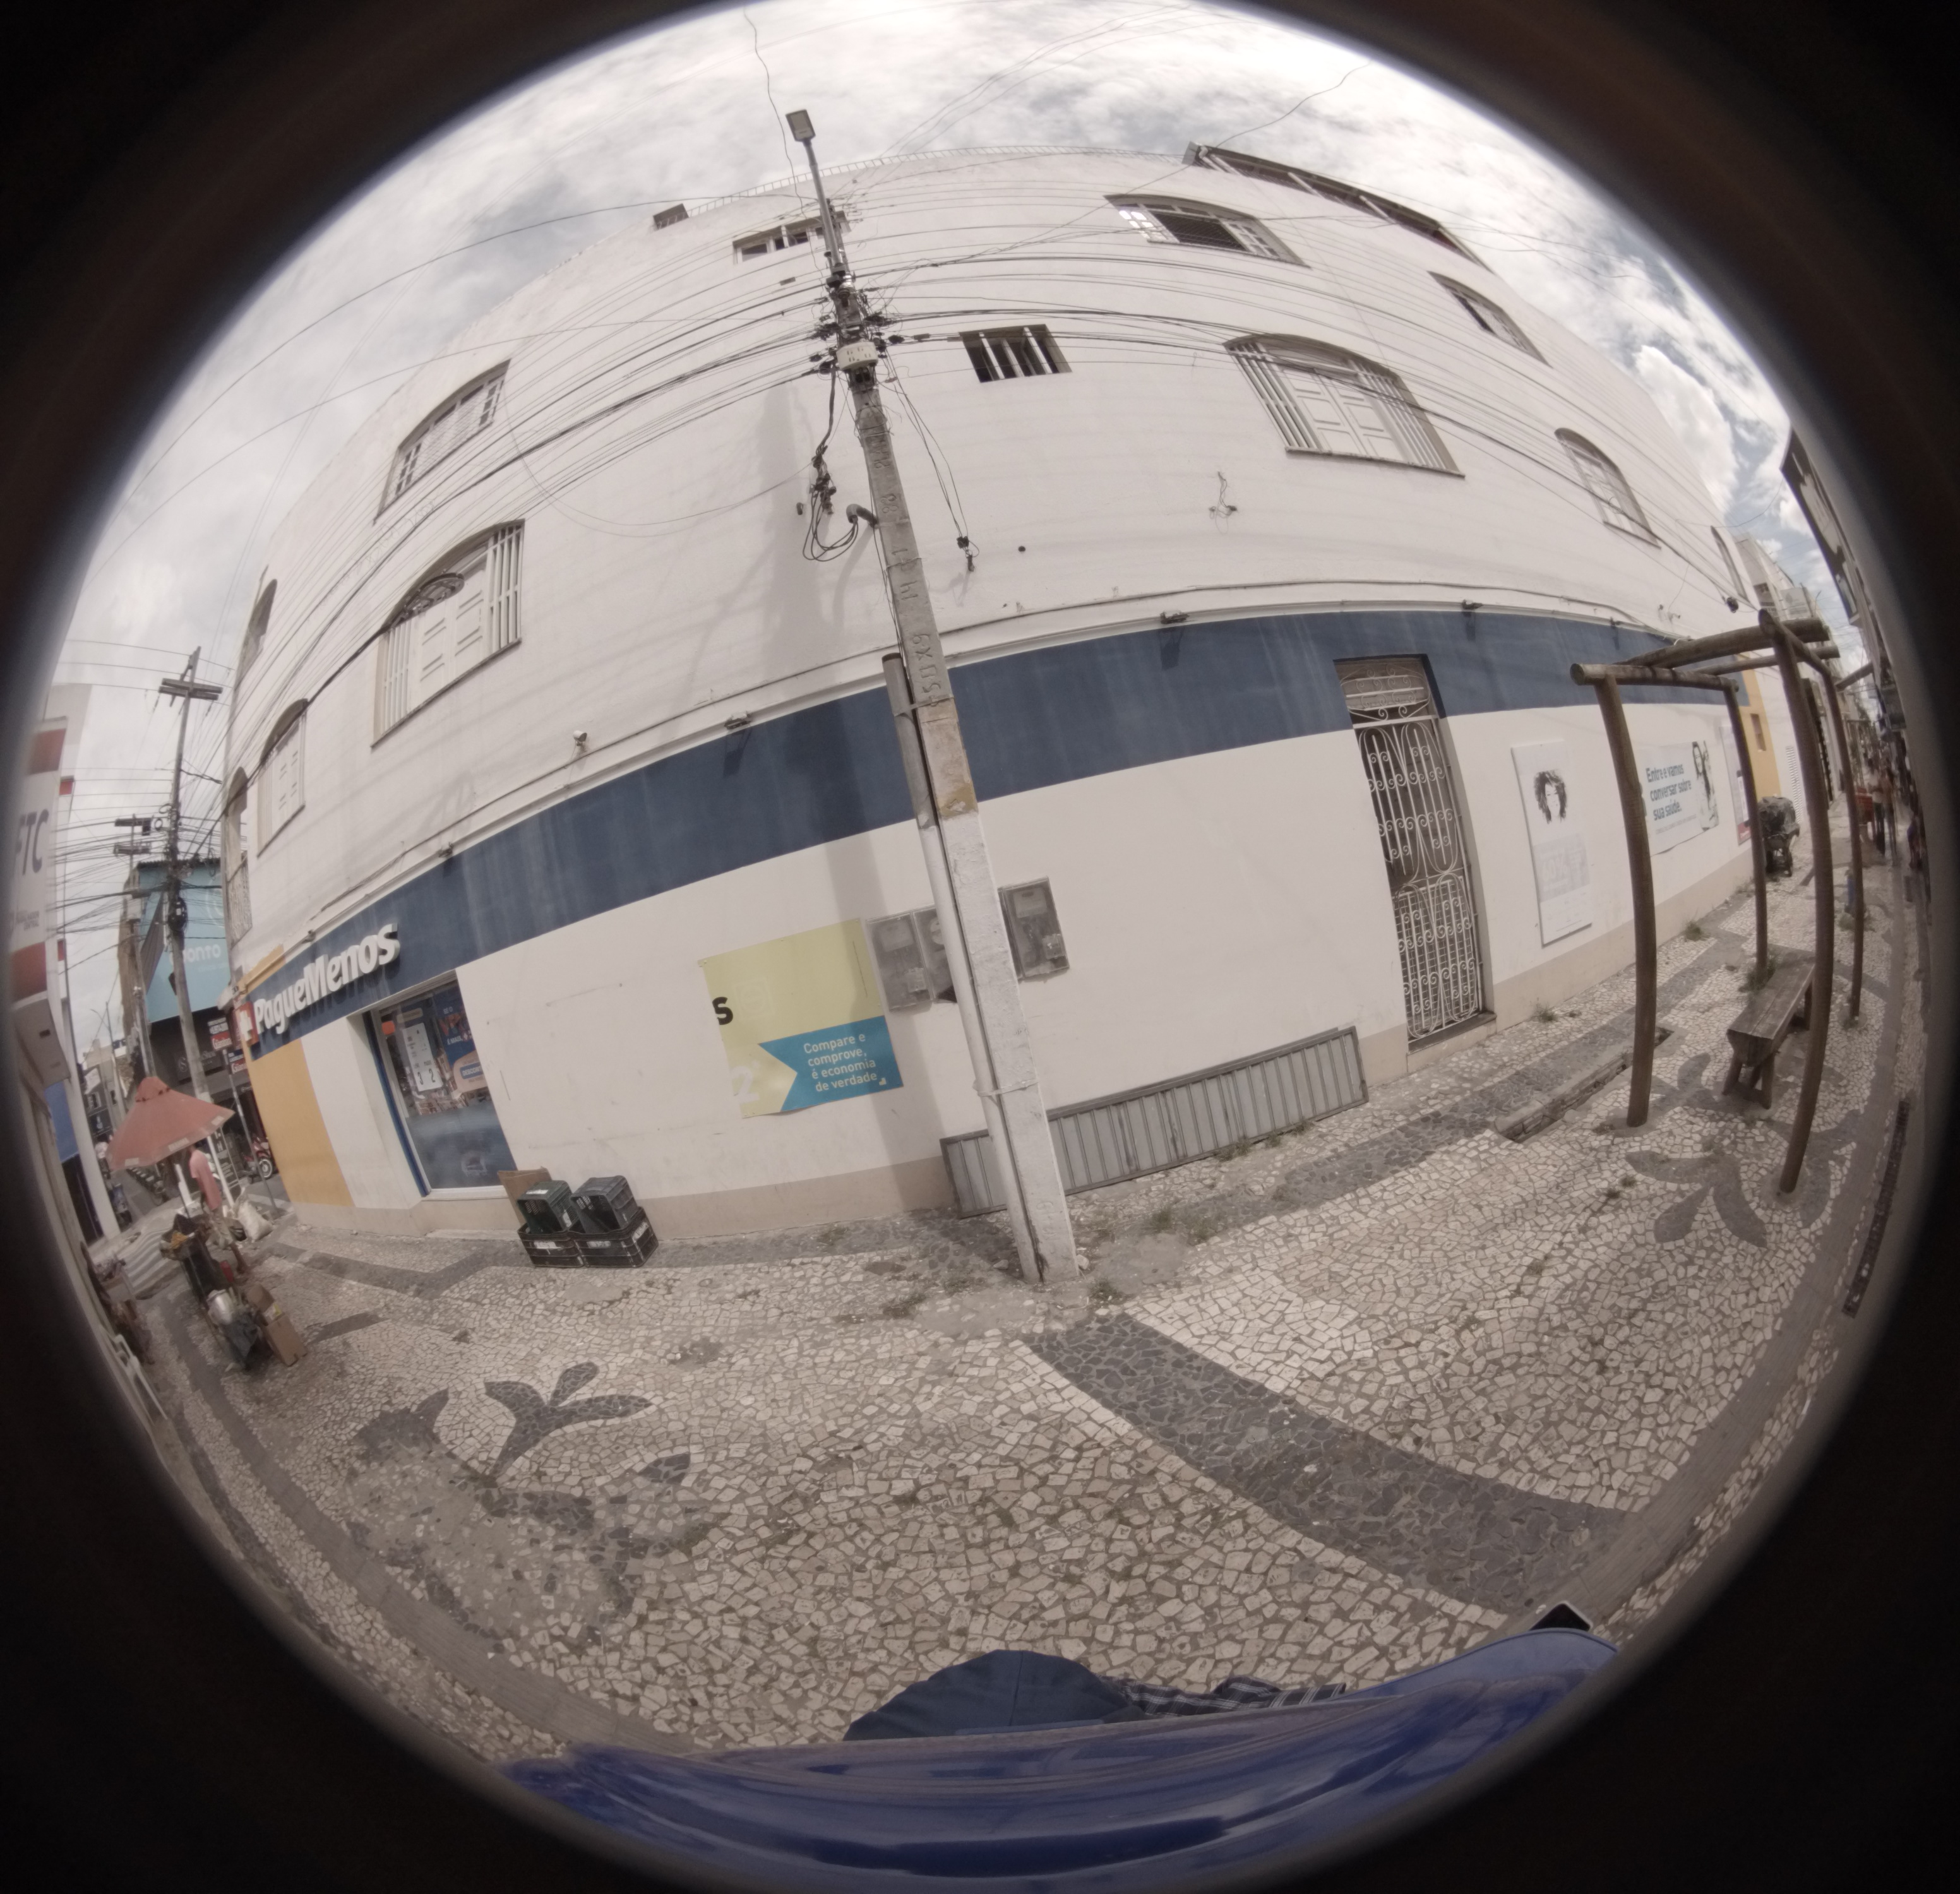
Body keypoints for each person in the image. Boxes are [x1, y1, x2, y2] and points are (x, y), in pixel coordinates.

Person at [187, 1143, 222, 1212]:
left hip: (209, 1195)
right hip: (215, 1189)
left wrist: (202, 1197)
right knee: (220, 1211)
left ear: (188, 1148)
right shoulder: (202, 1154)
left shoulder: (192, 1162)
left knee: (215, 1214)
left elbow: (199, 1181)